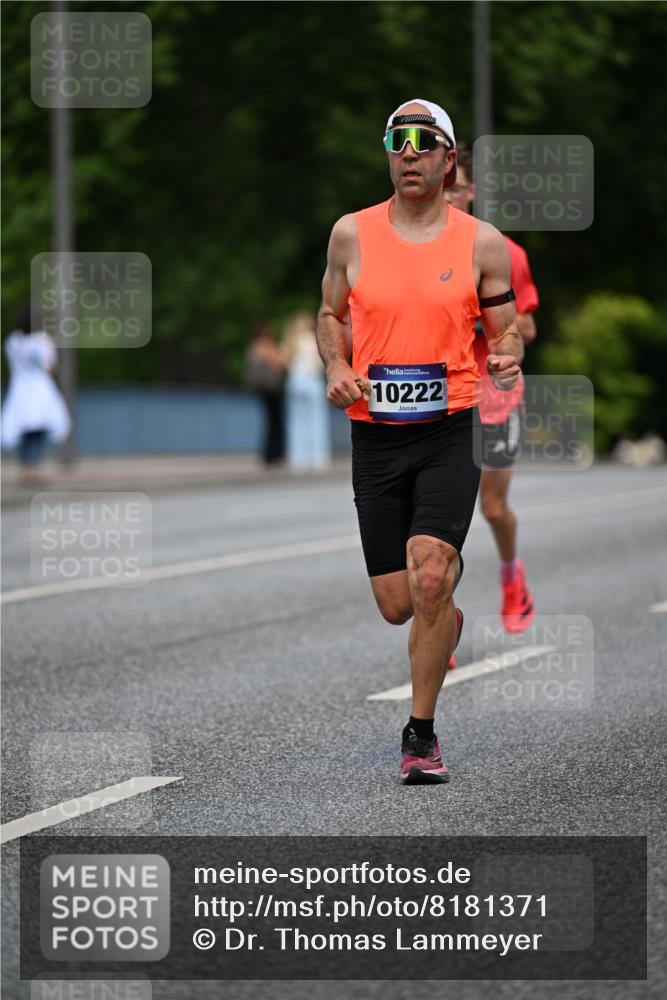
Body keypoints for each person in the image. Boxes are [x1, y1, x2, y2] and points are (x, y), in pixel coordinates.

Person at [317, 99, 523, 784]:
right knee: (397, 603)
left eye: (423, 141)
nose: (408, 152)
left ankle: (421, 733)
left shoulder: (480, 243)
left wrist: (507, 356)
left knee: (429, 572)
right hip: (375, 435)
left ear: (447, 158)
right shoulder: (350, 234)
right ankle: (443, 613)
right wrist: (337, 365)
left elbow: (507, 330)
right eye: (396, 140)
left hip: (449, 427)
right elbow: (328, 313)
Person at [445, 145, 538, 634]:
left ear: (471, 190)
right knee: (440, 520)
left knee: (493, 507)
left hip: (496, 395)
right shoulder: (423, 248)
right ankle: (440, 618)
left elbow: (526, 327)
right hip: (446, 398)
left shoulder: (503, 250)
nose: (450, 197)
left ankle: (511, 578)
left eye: (457, 188)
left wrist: (482, 323)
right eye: (445, 190)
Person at [1, 303, 71, 484]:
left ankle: (26, 467)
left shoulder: (12, 341)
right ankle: (31, 468)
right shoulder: (42, 341)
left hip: (19, 389)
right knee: (38, 430)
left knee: (25, 429)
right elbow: (49, 367)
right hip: (39, 390)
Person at [283, 310, 331, 471]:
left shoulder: (291, 341)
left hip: (295, 380)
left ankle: (298, 459)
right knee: (317, 420)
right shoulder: (313, 340)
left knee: (297, 421)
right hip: (312, 380)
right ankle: (318, 458)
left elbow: (283, 361)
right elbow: (320, 364)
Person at [245, 322, 286, 466]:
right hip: (271, 389)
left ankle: (270, 453)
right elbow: (279, 364)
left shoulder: (254, 346)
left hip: (263, 389)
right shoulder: (266, 346)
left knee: (271, 421)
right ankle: (273, 453)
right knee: (275, 421)